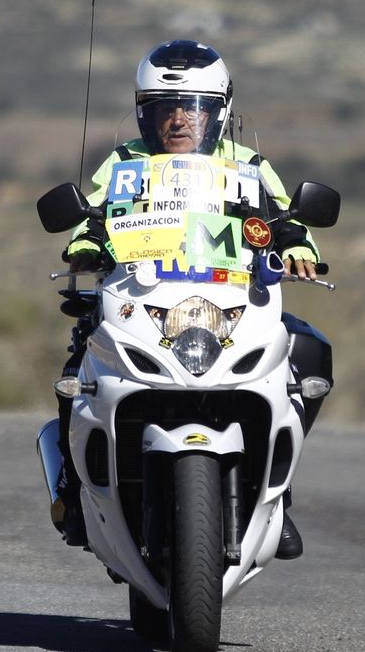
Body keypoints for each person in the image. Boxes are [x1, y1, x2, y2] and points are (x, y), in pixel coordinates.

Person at [52, 39, 326, 558]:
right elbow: (89, 220)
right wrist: (84, 249)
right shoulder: (123, 164)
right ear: (143, 113)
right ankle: (75, 491)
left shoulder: (249, 166)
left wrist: (298, 251)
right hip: (139, 297)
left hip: (232, 299)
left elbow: (291, 222)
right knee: (77, 370)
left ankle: (278, 497)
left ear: (219, 112)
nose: (178, 120)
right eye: (163, 109)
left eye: (192, 107)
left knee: (310, 353)